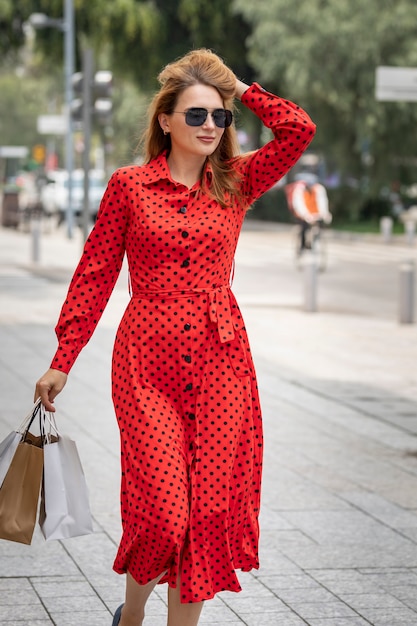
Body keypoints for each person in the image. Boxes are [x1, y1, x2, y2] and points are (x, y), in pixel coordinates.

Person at [34, 49, 316, 626]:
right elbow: (95, 273)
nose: (211, 125)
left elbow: (298, 130)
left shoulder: (237, 183)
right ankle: (132, 614)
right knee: (165, 513)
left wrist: (239, 88)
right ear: (166, 120)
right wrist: (64, 358)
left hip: (222, 364)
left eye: (220, 117)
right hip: (146, 366)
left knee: (207, 512)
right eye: (196, 115)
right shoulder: (130, 187)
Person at [285, 174, 332, 253]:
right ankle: (302, 246)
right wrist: (305, 215)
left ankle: (315, 241)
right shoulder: (299, 190)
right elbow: (299, 204)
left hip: (315, 212)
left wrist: (325, 213)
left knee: (319, 226)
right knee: (304, 227)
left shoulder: (319, 189)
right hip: (302, 213)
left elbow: (322, 201)